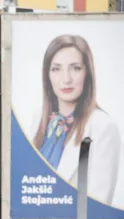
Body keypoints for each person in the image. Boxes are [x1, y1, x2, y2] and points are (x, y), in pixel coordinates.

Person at [30, 34, 121, 206]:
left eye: (76, 68)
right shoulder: (39, 118)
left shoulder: (103, 127)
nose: (66, 79)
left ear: (88, 73)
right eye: (56, 69)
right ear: (47, 75)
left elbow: (98, 202)